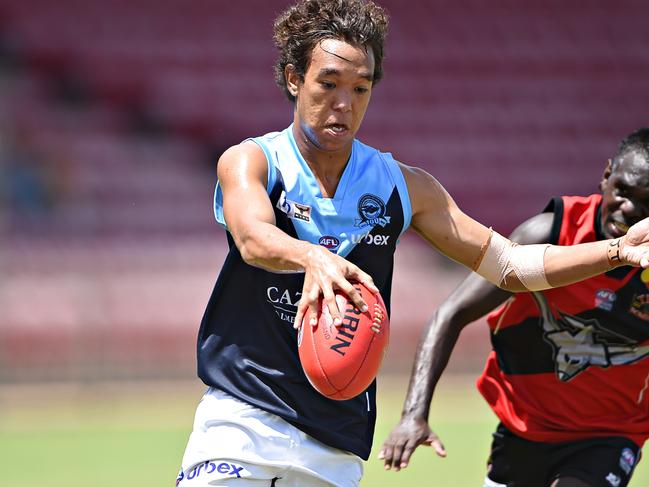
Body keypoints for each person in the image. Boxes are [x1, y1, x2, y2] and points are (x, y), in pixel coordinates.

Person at [175, 0, 649, 484]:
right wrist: (310, 257)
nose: (345, 103)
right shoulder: (253, 162)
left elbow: (509, 266)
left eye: (361, 88)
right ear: (295, 79)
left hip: (333, 442)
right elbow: (253, 238)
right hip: (240, 422)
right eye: (329, 83)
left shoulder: (402, 187)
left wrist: (618, 250)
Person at [379, 127, 649, 487]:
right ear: (605, 176)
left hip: (609, 435)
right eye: (623, 192)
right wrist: (414, 414)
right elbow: (451, 314)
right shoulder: (549, 234)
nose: (630, 209)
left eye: (647, 203)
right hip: (524, 430)